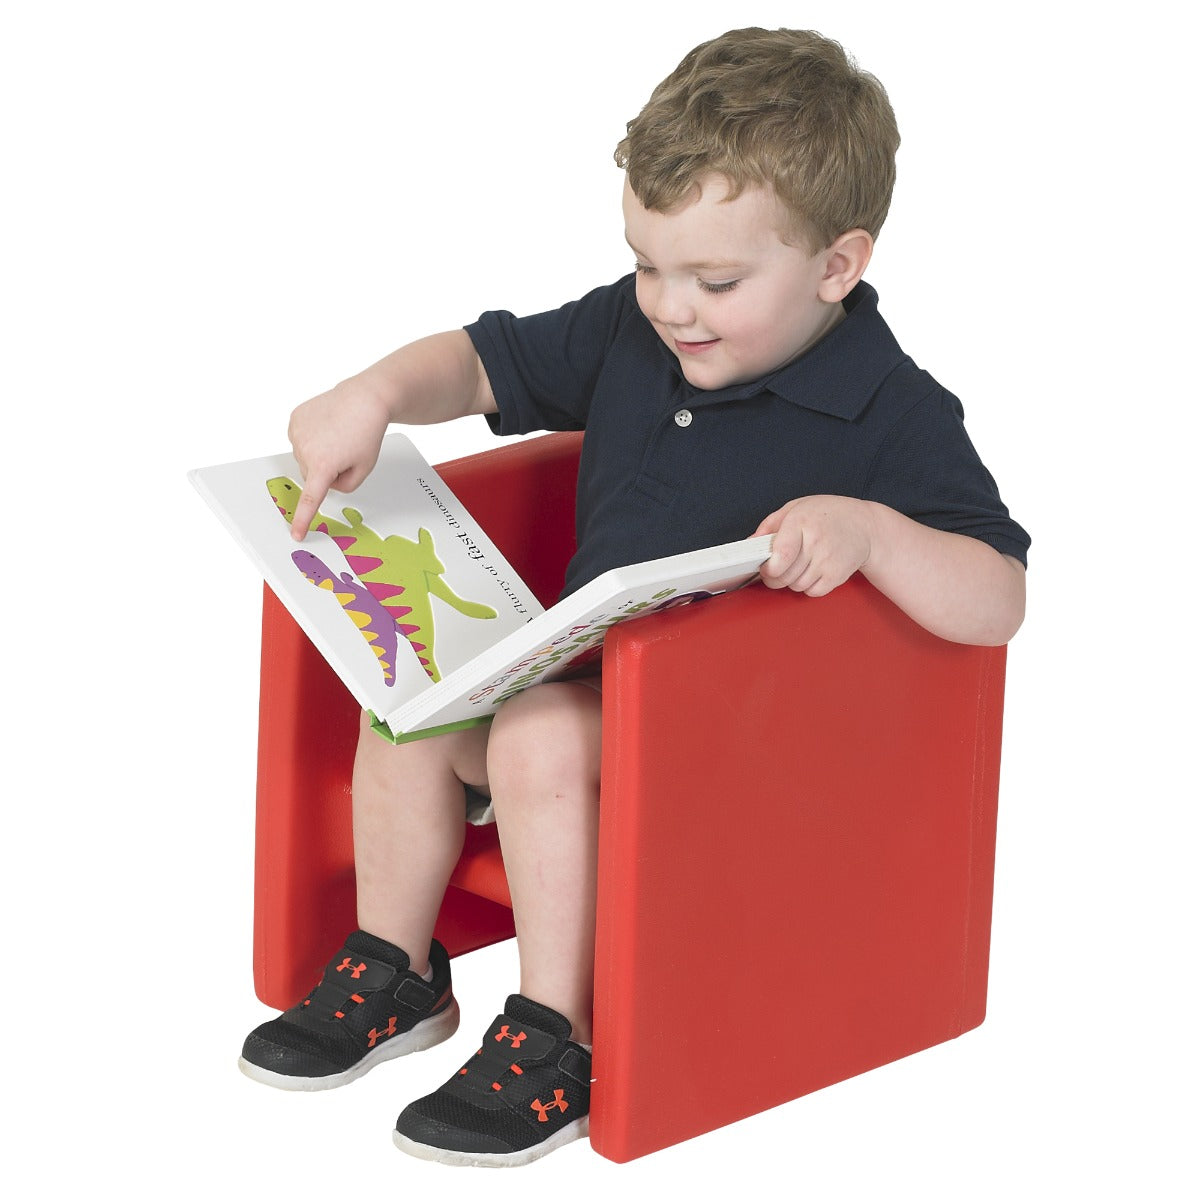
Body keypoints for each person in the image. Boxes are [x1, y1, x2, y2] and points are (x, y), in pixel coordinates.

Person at [238, 27, 1030, 1167]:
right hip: (572, 692)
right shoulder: (633, 330)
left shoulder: (893, 411)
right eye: (648, 264)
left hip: (740, 759)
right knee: (410, 700)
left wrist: (873, 533)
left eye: (717, 282)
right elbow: (482, 361)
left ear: (837, 267)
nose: (670, 306)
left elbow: (996, 598)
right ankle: (398, 973)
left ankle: (555, 1036)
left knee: (540, 733)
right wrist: (375, 393)